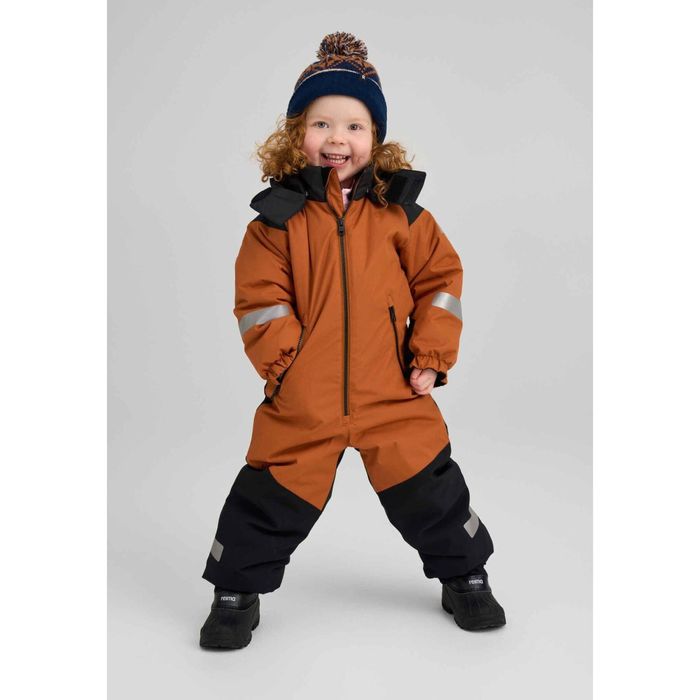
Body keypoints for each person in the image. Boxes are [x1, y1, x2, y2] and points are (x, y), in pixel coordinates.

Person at [199, 31, 506, 650]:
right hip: (304, 397)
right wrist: (286, 365)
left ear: (375, 138)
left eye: (355, 126)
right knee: (267, 497)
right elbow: (259, 300)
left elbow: (440, 283)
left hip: (392, 391)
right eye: (321, 123)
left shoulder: (403, 215)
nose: (337, 138)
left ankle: (466, 577)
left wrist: (430, 356)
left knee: (432, 491)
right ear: (296, 135)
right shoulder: (275, 223)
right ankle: (235, 592)